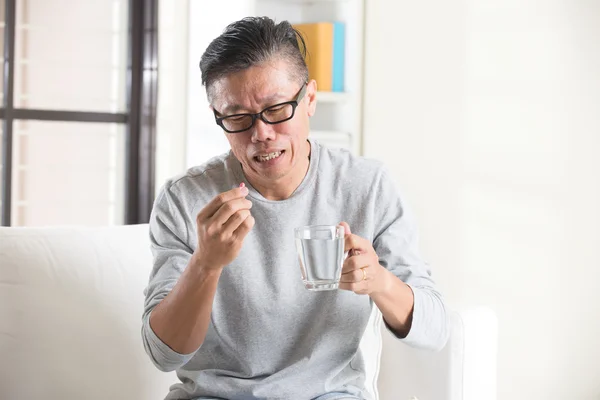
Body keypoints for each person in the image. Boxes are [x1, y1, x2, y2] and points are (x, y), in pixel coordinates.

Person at [142, 16, 449, 400]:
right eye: (238, 117)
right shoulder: (185, 199)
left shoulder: (366, 186)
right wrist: (206, 264)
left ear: (310, 100)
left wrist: (379, 281)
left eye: (276, 109)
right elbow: (163, 353)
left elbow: (435, 329)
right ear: (219, 119)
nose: (261, 133)